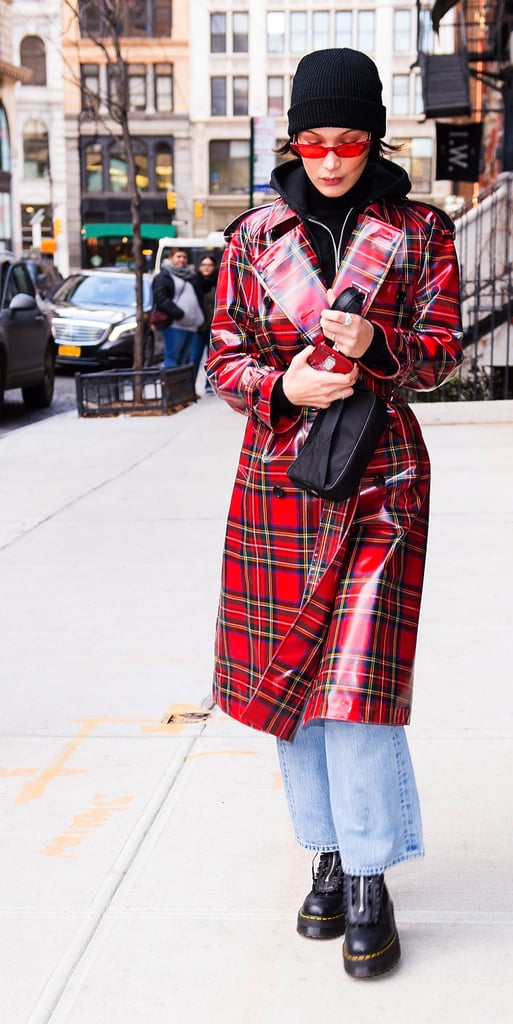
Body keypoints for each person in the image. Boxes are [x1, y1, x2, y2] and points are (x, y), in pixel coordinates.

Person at [206, 48, 462, 980]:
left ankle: (367, 877)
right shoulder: (252, 235)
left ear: (373, 138)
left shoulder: (421, 231)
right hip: (278, 478)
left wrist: (379, 343)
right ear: (292, 141)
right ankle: (323, 852)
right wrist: (283, 385)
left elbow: (442, 351)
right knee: (290, 694)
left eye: (346, 140)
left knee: (357, 689)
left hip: (382, 478)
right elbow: (221, 355)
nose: (327, 157)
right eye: (310, 140)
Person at [151, 248, 205, 367]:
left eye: (184, 257)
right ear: (171, 258)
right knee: (172, 358)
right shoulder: (164, 276)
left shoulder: (190, 276)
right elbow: (160, 299)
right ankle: (169, 385)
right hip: (174, 324)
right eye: (178, 256)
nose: (182, 260)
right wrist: (178, 314)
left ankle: (178, 386)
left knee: (183, 360)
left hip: (191, 326)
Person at [189, 253, 219, 388]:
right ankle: (190, 386)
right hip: (198, 326)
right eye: (203, 265)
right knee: (194, 356)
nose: (206, 268)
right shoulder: (193, 282)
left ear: (214, 267)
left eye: (209, 265)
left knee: (212, 359)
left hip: (214, 327)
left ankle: (209, 385)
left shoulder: (218, 282)